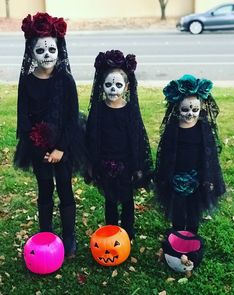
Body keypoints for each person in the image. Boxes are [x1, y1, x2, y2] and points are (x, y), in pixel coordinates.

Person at [14, 12, 87, 258]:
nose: (47, 55)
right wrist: (38, 147)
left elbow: (71, 117)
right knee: (45, 188)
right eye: (41, 51)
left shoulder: (66, 81)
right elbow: (23, 117)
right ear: (32, 53)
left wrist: (60, 149)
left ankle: (69, 236)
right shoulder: (27, 81)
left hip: (63, 146)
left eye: (51, 50)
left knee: (65, 188)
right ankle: (46, 234)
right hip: (37, 147)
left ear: (59, 50)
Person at [86, 50, 153, 240]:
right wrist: (92, 164)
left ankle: (128, 233)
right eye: (108, 85)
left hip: (126, 164)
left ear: (127, 86)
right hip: (104, 163)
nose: (113, 89)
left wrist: (137, 166)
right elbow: (92, 137)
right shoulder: (99, 110)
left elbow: (137, 138)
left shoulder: (130, 110)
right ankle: (111, 231)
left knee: (127, 199)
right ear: (101, 85)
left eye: (118, 85)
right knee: (110, 199)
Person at [154, 74, 225, 233]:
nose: (190, 114)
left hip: (197, 180)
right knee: (177, 213)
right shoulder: (173, 129)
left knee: (193, 213)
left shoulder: (203, 129)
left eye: (195, 109)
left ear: (201, 108)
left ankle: (191, 238)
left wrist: (209, 177)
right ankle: (177, 237)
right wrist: (165, 177)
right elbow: (165, 155)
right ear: (178, 108)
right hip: (176, 179)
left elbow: (210, 155)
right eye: (185, 109)